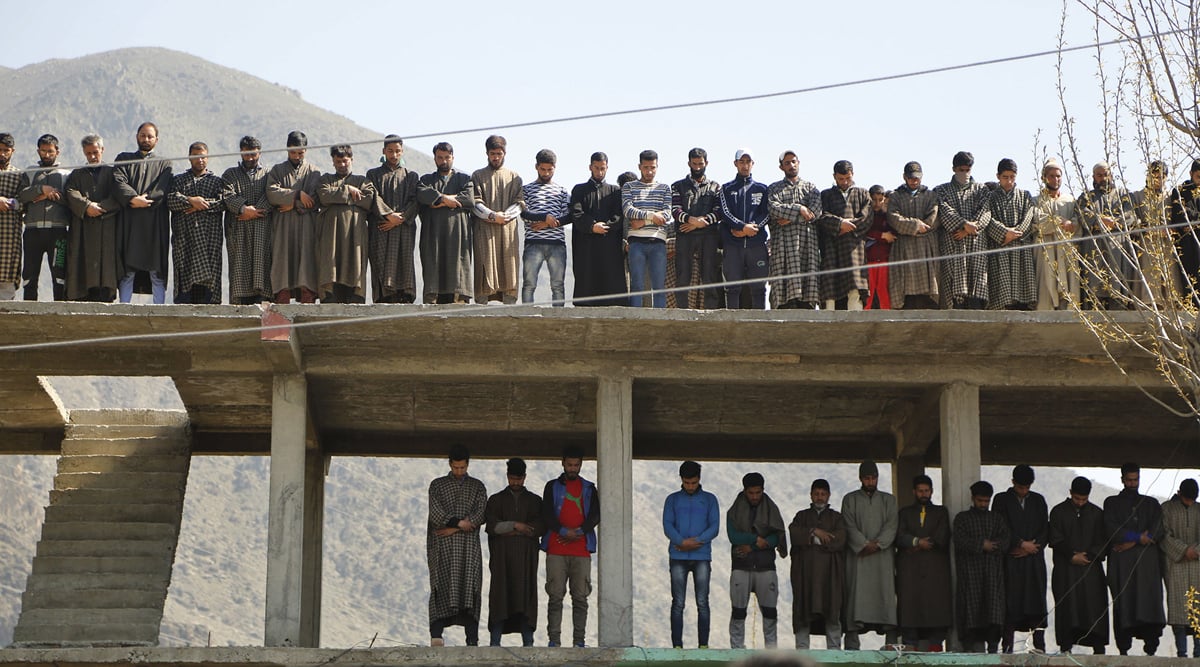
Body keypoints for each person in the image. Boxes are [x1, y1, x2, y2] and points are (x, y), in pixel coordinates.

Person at [426, 443, 487, 647]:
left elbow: (480, 515)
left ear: (468, 465)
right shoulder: (438, 485)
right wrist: (461, 524)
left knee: (469, 587)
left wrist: (454, 528)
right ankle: (436, 636)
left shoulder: (477, 487)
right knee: (441, 585)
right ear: (450, 464)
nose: (459, 471)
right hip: (443, 549)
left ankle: (472, 640)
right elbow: (435, 514)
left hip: (468, 550)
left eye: (462, 467)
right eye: (455, 467)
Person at [541, 445, 600, 647]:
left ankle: (579, 641)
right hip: (556, 550)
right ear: (563, 463)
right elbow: (547, 514)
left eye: (576, 465)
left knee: (581, 598)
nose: (573, 468)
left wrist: (579, 532)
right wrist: (564, 531)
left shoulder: (589, 488)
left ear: (581, 465)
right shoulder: (551, 487)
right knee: (555, 597)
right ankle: (554, 640)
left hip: (581, 551)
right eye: (570, 465)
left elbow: (595, 515)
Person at [1104, 462, 1166, 655]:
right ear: (1122, 480)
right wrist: (1139, 537)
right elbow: (1110, 529)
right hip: (1123, 566)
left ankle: (1151, 649)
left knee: (1149, 604)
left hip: (1148, 567)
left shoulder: (1151, 504)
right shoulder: (1112, 503)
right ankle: (1123, 650)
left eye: (1135, 480)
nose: (1132, 483)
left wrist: (1133, 541)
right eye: (1129, 480)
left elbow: (1158, 529)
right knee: (1125, 604)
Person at [484, 457, 544, 647]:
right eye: (512, 478)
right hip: (502, 562)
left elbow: (539, 527)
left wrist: (509, 530)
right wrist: (518, 526)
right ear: (507, 476)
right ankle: (495, 642)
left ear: (524, 477)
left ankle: (528, 642)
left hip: (526, 561)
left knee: (525, 598)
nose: (515, 482)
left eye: (519, 479)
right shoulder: (496, 500)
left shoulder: (535, 501)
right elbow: (492, 526)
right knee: (500, 597)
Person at [1047, 476, 1109, 655]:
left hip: (1091, 570)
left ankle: (1098, 648)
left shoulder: (1097, 514)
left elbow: (1103, 541)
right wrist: (1071, 555)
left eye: (1084, 499)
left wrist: (1088, 556)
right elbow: (1055, 539)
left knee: (1094, 608)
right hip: (1066, 570)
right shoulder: (1058, 512)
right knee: (1068, 607)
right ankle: (1066, 647)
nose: (1080, 502)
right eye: (1077, 499)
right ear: (1070, 493)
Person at [662, 460, 719, 649]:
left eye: (694, 482)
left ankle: (703, 644)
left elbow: (714, 527)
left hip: (702, 556)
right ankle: (677, 645)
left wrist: (692, 543)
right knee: (678, 602)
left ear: (699, 479)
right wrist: (681, 542)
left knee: (702, 601)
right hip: (678, 557)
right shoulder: (672, 499)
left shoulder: (710, 499)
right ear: (681, 480)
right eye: (687, 483)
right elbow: (667, 525)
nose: (690, 486)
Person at [991, 464, 1048, 653]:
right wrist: (1021, 544)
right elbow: (1000, 526)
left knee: (1036, 604)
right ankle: (1007, 647)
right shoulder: (1001, 500)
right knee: (1011, 604)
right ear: (1013, 482)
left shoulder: (1038, 500)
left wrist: (1032, 547)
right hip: (1011, 561)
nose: (1024, 491)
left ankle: (1039, 648)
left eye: (1027, 487)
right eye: (1020, 487)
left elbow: (1045, 529)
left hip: (1033, 561)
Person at [113, 122, 172, 304]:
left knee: (156, 268)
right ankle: (124, 307)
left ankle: (159, 310)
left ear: (156, 139)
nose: (146, 139)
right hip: (129, 221)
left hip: (155, 222)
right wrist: (132, 198)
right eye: (142, 136)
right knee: (127, 268)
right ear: (137, 137)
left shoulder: (164, 163)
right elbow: (118, 181)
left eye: (150, 136)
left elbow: (162, 188)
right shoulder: (124, 158)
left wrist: (145, 201)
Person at [727, 471, 787, 649]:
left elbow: (776, 538)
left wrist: (752, 545)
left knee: (770, 614)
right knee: (738, 613)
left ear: (763, 490)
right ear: (745, 491)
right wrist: (756, 539)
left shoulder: (771, 509)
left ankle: (771, 653)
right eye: (751, 493)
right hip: (741, 566)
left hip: (765, 566)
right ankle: (737, 651)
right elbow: (733, 536)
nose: (755, 496)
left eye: (758, 492)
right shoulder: (735, 510)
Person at [841, 460, 897, 649]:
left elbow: (891, 526)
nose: (870, 481)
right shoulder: (850, 500)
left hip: (882, 558)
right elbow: (848, 525)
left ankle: (890, 646)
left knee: (885, 599)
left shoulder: (889, 500)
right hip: (859, 558)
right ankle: (852, 647)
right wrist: (864, 544)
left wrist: (878, 544)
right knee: (856, 600)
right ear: (860, 479)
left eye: (873, 478)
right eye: (867, 478)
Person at [315, 144, 380, 303]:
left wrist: (339, 195)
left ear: (351, 160)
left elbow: (367, 199)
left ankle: (355, 296)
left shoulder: (363, 181)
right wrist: (348, 190)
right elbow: (324, 196)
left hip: (355, 235)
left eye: (345, 161)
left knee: (355, 265)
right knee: (331, 266)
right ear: (333, 162)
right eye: (338, 161)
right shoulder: (325, 179)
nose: (342, 165)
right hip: (331, 235)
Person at [895, 474, 951, 652]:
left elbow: (941, 537)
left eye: (926, 490)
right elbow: (899, 536)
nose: (924, 494)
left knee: (936, 612)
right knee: (910, 612)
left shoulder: (941, 512)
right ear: (914, 492)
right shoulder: (905, 513)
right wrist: (917, 542)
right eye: (920, 491)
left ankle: (935, 653)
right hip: (910, 572)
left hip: (935, 572)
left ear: (932, 491)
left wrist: (918, 545)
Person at [166, 142, 227, 304]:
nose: (200, 160)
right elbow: (171, 200)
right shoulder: (179, 180)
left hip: (209, 241)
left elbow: (222, 203)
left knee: (209, 287)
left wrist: (200, 204)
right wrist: (190, 201)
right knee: (185, 287)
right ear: (189, 157)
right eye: (196, 157)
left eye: (203, 157)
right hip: (184, 241)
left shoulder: (216, 182)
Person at [788, 478, 846, 650]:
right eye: (816, 494)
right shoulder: (802, 516)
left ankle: (835, 652)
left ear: (828, 496)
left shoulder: (837, 518)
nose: (820, 497)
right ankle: (802, 652)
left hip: (830, 575)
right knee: (803, 611)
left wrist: (811, 540)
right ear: (811, 495)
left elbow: (840, 539)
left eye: (823, 494)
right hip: (806, 575)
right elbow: (794, 534)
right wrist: (814, 532)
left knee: (832, 610)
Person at [266, 131, 321, 304]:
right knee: (283, 262)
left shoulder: (314, 172)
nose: (297, 156)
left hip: (307, 226)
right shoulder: (277, 170)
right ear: (287, 149)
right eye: (293, 152)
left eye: (301, 153)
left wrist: (292, 204)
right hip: (283, 227)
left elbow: (314, 200)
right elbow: (272, 194)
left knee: (306, 263)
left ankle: (307, 305)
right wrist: (297, 194)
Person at [953, 480, 1007, 653]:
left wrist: (993, 546)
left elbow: (1006, 540)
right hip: (970, 574)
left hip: (992, 574)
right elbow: (960, 541)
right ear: (973, 499)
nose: (983, 504)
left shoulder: (996, 519)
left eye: (986, 501)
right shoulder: (962, 518)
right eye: (980, 501)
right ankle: (968, 651)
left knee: (993, 612)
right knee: (970, 610)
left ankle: (992, 650)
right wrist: (981, 545)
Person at [417, 141, 475, 304]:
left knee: (457, 275)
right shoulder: (426, 180)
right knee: (434, 272)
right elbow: (422, 194)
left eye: (447, 157)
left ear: (453, 158)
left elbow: (469, 199)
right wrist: (444, 199)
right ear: (435, 159)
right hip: (433, 236)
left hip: (458, 237)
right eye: (440, 157)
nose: (444, 161)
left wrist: (440, 200)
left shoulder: (464, 179)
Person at [64, 134, 120, 302]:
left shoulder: (112, 173)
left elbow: (119, 194)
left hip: (107, 226)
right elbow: (70, 192)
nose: (93, 157)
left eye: (95, 152)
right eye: (88, 153)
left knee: (106, 266)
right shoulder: (77, 175)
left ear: (102, 150)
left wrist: (101, 207)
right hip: (83, 227)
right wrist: (87, 206)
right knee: (82, 263)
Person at [365, 135, 419, 304]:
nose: (394, 155)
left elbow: (415, 201)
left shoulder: (411, 176)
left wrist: (400, 218)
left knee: (404, 261)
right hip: (381, 226)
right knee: (381, 261)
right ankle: (384, 297)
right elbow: (373, 197)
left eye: (397, 151)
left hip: (403, 228)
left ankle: (405, 295)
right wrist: (389, 215)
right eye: (390, 151)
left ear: (402, 152)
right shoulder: (373, 174)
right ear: (384, 151)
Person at [935, 151, 991, 309]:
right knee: (953, 291)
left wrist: (967, 229)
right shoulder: (942, 190)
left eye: (967, 170)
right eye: (961, 170)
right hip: (953, 245)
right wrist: (964, 223)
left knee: (977, 290)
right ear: (954, 169)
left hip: (975, 245)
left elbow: (985, 212)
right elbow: (945, 211)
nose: (964, 173)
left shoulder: (982, 189)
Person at [1076, 161, 1137, 309]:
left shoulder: (1124, 194)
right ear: (1093, 177)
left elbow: (1130, 216)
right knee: (1094, 288)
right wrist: (1100, 220)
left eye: (1106, 174)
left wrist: (1114, 222)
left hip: (1118, 246)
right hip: (1094, 248)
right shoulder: (1086, 196)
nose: (1103, 178)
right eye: (1099, 175)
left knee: (1118, 287)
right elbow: (1082, 214)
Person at [766, 150, 822, 309]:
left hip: (806, 247)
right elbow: (774, 209)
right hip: (783, 248)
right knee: (783, 297)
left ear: (799, 162)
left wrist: (791, 216)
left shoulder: (811, 188)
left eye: (793, 161)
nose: (791, 165)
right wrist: (800, 209)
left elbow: (815, 213)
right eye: (787, 163)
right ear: (781, 167)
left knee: (807, 298)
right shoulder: (774, 188)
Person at [18, 134, 71, 301]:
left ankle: (60, 312)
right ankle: (29, 310)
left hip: (58, 231)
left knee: (59, 274)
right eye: (43, 151)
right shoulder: (31, 172)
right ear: (38, 151)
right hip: (33, 230)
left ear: (57, 151)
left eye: (50, 151)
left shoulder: (66, 175)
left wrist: (52, 195)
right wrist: (42, 189)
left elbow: (71, 199)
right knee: (29, 274)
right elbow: (22, 195)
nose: (46, 155)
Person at [471, 135, 523, 304]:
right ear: (487, 153)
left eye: (499, 153)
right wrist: (493, 216)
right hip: (485, 232)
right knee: (485, 269)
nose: (495, 157)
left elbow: (519, 203)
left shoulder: (514, 177)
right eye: (492, 153)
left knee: (509, 271)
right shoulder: (478, 176)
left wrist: (505, 216)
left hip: (507, 232)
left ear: (504, 153)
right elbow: (475, 203)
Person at [570, 152, 625, 307]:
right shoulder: (579, 190)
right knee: (587, 278)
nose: (599, 172)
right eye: (596, 168)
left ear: (607, 168)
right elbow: (576, 213)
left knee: (611, 280)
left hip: (609, 245)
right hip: (586, 245)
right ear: (590, 167)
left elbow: (619, 215)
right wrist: (592, 226)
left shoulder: (615, 192)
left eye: (602, 168)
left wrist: (606, 226)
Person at [221, 136, 272, 304]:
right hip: (238, 230)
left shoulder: (268, 175)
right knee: (239, 272)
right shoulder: (230, 174)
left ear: (259, 153)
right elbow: (228, 196)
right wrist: (243, 209)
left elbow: (271, 195)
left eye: (253, 154)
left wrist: (255, 212)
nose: (250, 158)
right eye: (246, 154)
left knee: (262, 272)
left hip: (262, 230)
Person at [719, 149, 771, 309]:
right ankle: (731, 322)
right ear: (735, 163)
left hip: (756, 245)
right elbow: (724, 212)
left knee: (758, 287)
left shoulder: (762, 189)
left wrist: (752, 228)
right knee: (733, 287)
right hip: (733, 245)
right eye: (741, 162)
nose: (745, 165)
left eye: (748, 162)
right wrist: (741, 227)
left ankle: (760, 323)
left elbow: (767, 213)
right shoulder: (726, 188)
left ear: (753, 164)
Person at [671, 148, 722, 309]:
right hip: (685, 236)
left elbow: (719, 211)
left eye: (701, 164)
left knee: (709, 275)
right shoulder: (677, 186)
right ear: (689, 164)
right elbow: (675, 210)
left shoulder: (715, 187)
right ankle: (682, 312)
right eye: (694, 164)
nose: (698, 167)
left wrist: (702, 221)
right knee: (683, 275)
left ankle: (711, 313)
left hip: (709, 236)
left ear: (706, 163)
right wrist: (692, 221)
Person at [818, 160, 872, 309]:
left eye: (847, 178)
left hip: (854, 247)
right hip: (831, 246)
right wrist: (839, 224)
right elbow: (820, 216)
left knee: (854, 286)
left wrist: (849, 226)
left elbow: (867, 218)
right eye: (841, 179)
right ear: (834, 176)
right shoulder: (826, 195)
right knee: (830, 287)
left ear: (852, 174)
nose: (845, 182)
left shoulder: (862, 193)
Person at [622, 149, 672, 308]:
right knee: (637, 286)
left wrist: (641, 221)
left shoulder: (664, 188)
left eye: (653, 167)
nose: (649, 171)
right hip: (636, 243)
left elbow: (667, 214)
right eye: (646, 167)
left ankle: (660, 323)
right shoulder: (629, 187)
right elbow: (628, 210)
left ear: (657, 167)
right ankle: (635, 320)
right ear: (639, 167)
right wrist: (652, 216)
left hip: (658, 242)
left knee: (659, 286)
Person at [886, 162, 940, 309]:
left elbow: (933, 218)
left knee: (927, 292)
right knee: (906, 291)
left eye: (917, 178)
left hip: (925, 247)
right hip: (904, 247)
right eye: (911, 178)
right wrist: (915, 226)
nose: (914, 181)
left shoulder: (930, 195)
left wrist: (922, 228)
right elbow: (893, 217)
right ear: (904, 177)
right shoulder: (896, 196)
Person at [985, 159, 1037, 310]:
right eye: (1005, 177)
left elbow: (1029, 216)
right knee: (1002, 289)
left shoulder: (1025, 195)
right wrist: (1003, 233)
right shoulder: (990, 197)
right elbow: (988, 218)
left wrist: (1015, 233)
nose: (1009, 181)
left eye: (1012, 177)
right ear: (998, 176)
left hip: (1021, 246)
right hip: (1000, 246)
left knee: (1023, 286)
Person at [520, 149, 570, 305]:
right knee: (529, 284)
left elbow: (568, 216)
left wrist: (546, 222)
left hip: (557, 245)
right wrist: (545, 217)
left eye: (550, 169)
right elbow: (524, 214)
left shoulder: (562, 191)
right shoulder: (527, 190)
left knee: (558, 286)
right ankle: (528, 317)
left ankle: (558, 318)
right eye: (543, 169)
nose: (546, 173)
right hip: (533, 243)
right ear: (536, 167)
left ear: (555, 167)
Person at [1033, 158, 1081, 310]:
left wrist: (1071, 224)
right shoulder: (1036, 201)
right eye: (1052, 176)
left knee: (1068, 284)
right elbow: (1037, 221)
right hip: (1045, 250)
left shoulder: (1070, 201)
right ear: (1044, 177)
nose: (1056, 179)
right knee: (1046, 287)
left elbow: (1077, 223)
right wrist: (1059, 222)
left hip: (1065, 250)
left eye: (1058, 176)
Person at [1160, 478, 1200, 657]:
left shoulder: (1199, 510)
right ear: (1179, 493)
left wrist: (1196, 551)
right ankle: (1181, 652)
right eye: (1187, 499)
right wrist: (1184, 550)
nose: (1189, 503)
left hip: (1198, 566)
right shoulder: (1166, 509)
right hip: (1175, 566)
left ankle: (1198, 652)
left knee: (1198, 610)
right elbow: (1163, 535)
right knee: (1178, 610)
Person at [1130, 161, 1178, 305]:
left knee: (1171, 277)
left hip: (1168, 244)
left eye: (1161, 176)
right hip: (1147, 244)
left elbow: (1179, 218)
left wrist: (1171, 229)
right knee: (1149, 279)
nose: (1158, 180)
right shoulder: (1137, 196)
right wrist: (1149, 229)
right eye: (1155, 176)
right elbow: (1132, 220)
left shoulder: (1171, 196)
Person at [1169, 159, 1200, 305]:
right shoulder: (1180, 190)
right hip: (1186, 241)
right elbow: (1179, 214)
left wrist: (1193, 220)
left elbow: (1188, 213)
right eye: (1198, 176)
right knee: (1189, 275)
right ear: (1191, 174)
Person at [863, 185, 896, 309]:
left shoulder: (887, 216)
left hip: (884, 259)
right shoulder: (866, 215)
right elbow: (864, 230)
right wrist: (881, 235)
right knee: (869, 291)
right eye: (874, 200)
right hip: (869, 258)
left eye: (880, 200)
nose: (877, 203)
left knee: (883, 289)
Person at [0, 133, 21, 301]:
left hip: (9, 235)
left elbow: (25, 200)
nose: (2, 154)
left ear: (12, 151)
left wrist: (11, 203)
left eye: (6, 150)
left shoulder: (18, 175)